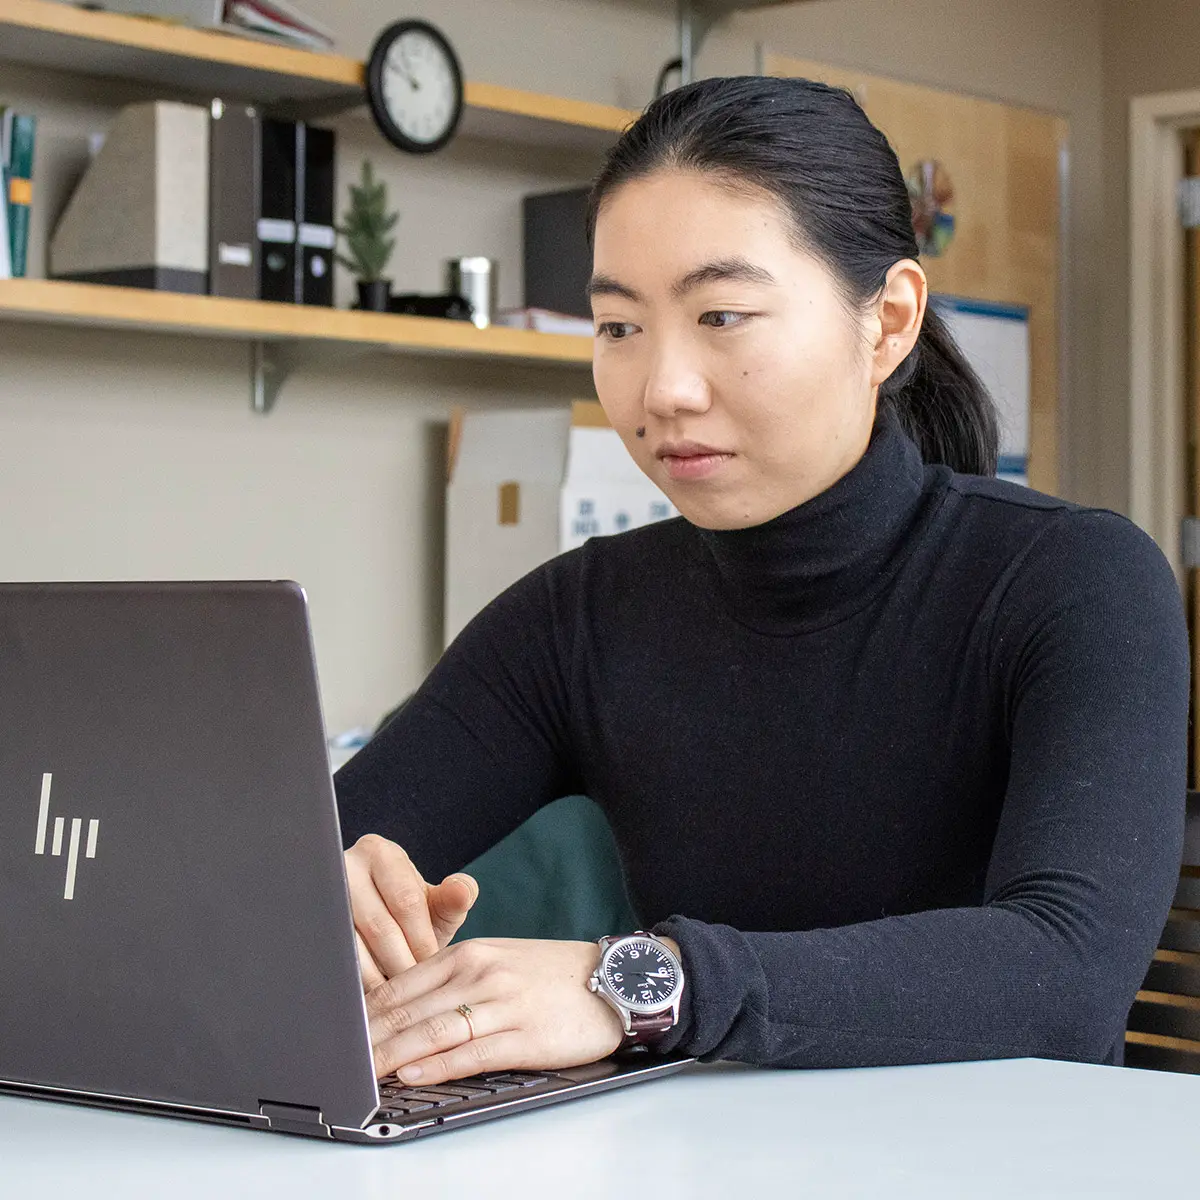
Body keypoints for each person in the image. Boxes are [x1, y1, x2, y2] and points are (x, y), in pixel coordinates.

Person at [334, 75, 1190, 1088]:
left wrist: (639, 983)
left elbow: (1066, 969)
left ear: (890, 321)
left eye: (724, 315)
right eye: (618, 328)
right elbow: (320, 849)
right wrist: (317, 888)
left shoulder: (1074, 582)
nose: (663, 389)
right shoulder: (581, 617)